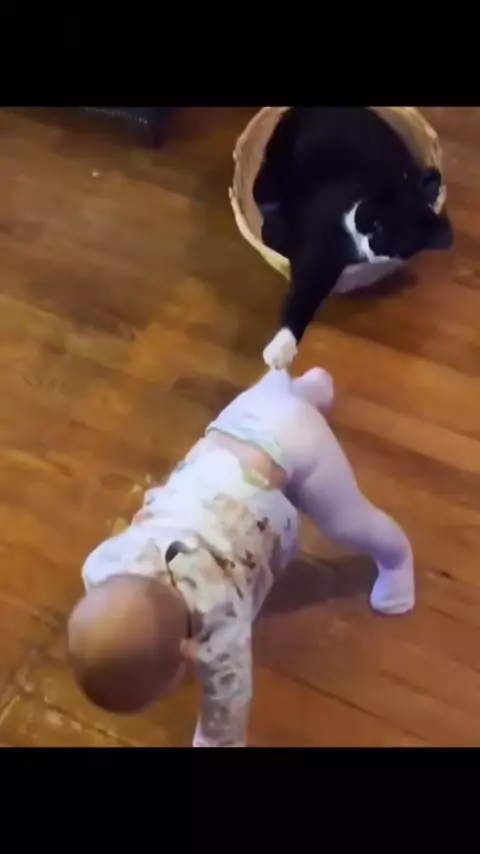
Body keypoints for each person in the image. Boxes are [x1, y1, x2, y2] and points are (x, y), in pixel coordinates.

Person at [68, 367, 414, 747]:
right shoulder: (104, 565)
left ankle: (397, 559)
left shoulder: (221, 628)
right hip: (238, 423)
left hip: (295, 444)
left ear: (188, 652)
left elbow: (225, 719)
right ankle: (302, 390)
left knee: (348, 523)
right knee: (277, 402)